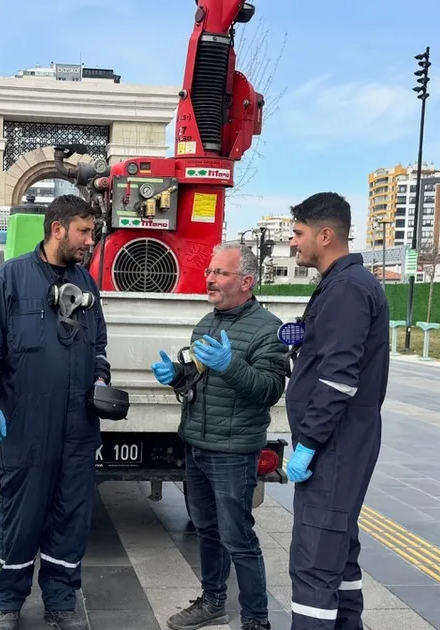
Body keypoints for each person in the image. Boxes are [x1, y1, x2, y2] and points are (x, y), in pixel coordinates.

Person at [0, 194, 111, 630]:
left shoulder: (86, 285)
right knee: (21, 515)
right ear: (57, 230)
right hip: (26, 426)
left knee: (71, 516)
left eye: (92, 232)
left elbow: (99, 346)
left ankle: (61, 601)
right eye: (84, 232)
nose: (90, 241)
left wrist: (102, 381)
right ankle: (9, 603)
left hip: (77, 426)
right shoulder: (10, 280)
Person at [151, 242, 288, 630]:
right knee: (206, 530)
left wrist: (230, 365)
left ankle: (256, 621)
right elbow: (196, 379)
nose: (209, 278)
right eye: (210, 271)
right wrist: (176, 376)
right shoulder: (207, 323)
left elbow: (268, 390)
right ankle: (212, 601)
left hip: (233, 452)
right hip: (197, 443)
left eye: (220, 273)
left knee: (238, 538)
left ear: (246, 281)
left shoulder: (268, 330)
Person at [283, 193, 389, 630]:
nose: (292, 243)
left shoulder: (346, 288)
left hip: (334, 444)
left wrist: (308, 443)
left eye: (298, 233)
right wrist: (299, 338)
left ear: (325, 235)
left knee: (314, 565)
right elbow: (333, 355)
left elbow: (339, 377)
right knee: (339, 554)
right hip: (343, 440)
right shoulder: (345, 285)